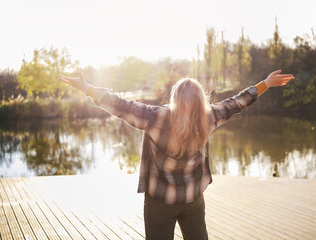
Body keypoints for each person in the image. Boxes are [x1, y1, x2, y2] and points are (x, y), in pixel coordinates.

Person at [59, 70, 294, 240]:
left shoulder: (157, 118)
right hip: (192, 200)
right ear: (201, 100)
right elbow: (237, 102)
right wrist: (265, 84)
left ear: (175, 99)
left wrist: (87, 88)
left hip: (160, 201)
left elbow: (122, 106)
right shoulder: (209, 117)